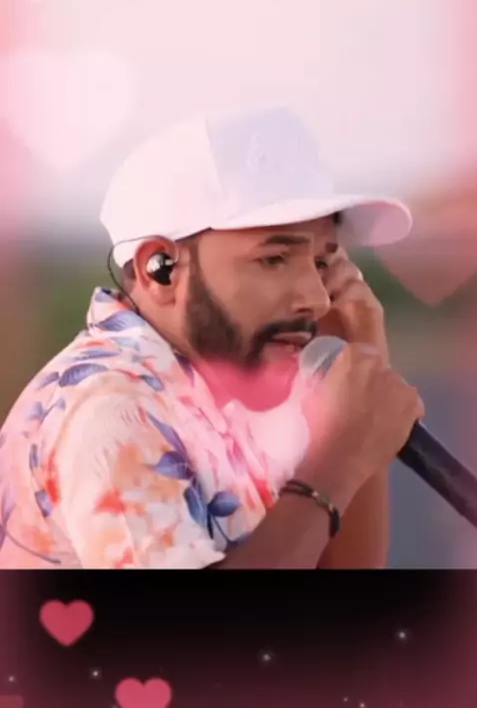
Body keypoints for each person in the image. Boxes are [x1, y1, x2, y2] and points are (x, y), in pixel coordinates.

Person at [0, 107, 424, 569]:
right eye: (275, 259)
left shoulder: (217, 390)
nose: (317, 298)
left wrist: (364, 361)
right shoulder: (112, 413)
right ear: (160, 270)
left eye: (321, 263)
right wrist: (338, 458)